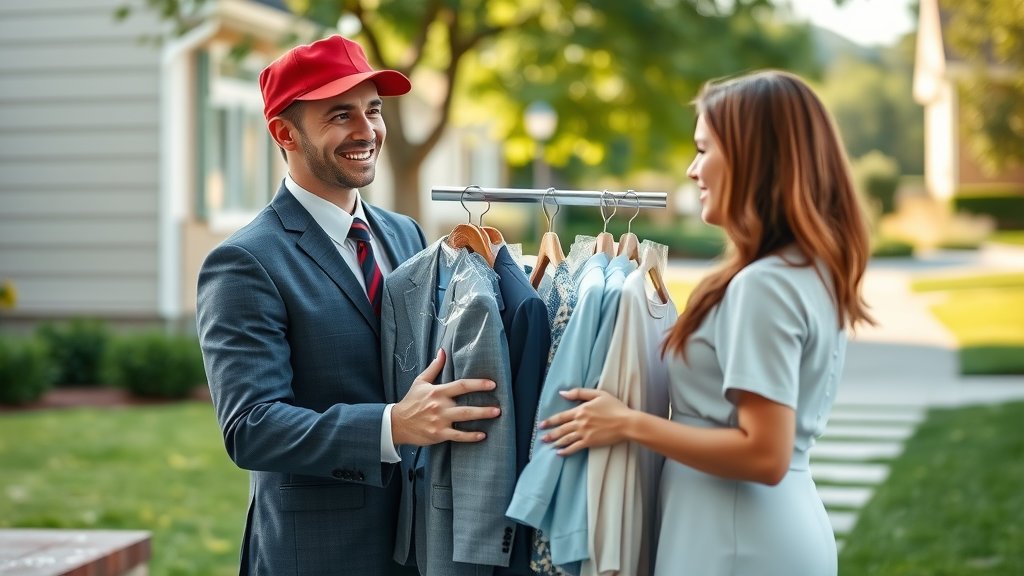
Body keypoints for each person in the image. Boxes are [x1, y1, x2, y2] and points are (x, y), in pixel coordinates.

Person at [539, 70, 874, 576]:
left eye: (704, 149)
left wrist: (626, 423)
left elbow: (764, 452)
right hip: (746, 527)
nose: (693, 170)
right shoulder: (805, 269)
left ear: (753, 158)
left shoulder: (766, 284)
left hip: (736, 539)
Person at [196, 35, 500, 576]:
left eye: (373, 110)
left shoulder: (405, 235)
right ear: (284, 133)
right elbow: (252, 427)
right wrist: (392, 426)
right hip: (318, 553)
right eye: (341, 115)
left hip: (421, 544)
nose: (367, 131)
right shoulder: (245, 261)